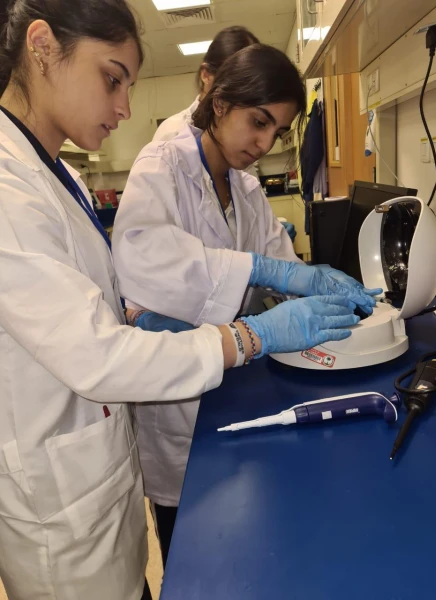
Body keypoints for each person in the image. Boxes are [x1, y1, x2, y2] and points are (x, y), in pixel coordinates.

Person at [0, 1, 375, 598]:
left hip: (102, 476)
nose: (125, 107)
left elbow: (91, 300)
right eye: (113, 78)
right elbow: (99, 351)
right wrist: (252, 332)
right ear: (42, 47)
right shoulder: (10, 188)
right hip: (59, 503)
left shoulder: (57, 175)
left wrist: (296, 280)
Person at [112, 44, 382, 566]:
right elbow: (143, 257)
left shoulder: (246, 187)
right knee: (193, 550)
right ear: (219, 103)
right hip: (177, 405)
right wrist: (262, 271)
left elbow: (282, 263)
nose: (264, 143)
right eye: (258, 122)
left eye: (277, 132)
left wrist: (313, 282)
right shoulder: (162, 165)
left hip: (235, 385)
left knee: (248, 542)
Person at [152, 25, 259, 144]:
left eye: (249, 85)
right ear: (206, 75)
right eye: (232, 81)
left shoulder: (246, 134)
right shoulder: (173, 133)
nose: (240, 94)